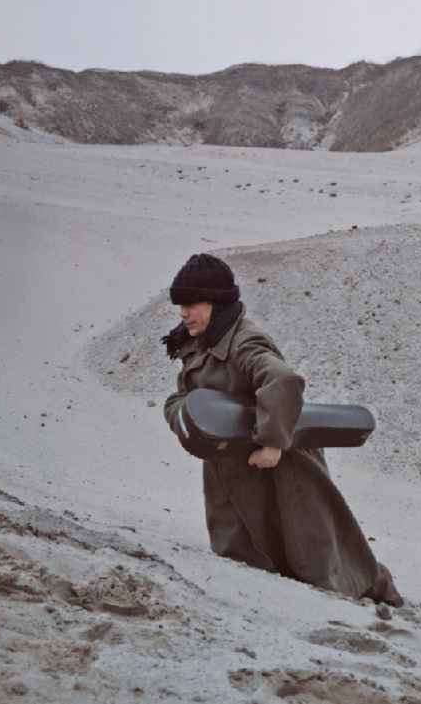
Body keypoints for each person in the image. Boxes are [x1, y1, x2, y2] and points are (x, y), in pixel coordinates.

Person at [162, 253, 402, 606]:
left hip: (284, 462)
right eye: (180, 304)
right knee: (238, 551)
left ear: (217, 303)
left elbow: (283, 380)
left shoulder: (244, 341)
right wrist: (180, 414)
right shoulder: (197, 342)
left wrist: (272, 443)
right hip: (231, 467)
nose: (184, 313)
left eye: (193, 304)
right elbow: (188, 399)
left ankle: (381, 592)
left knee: (317, 554)